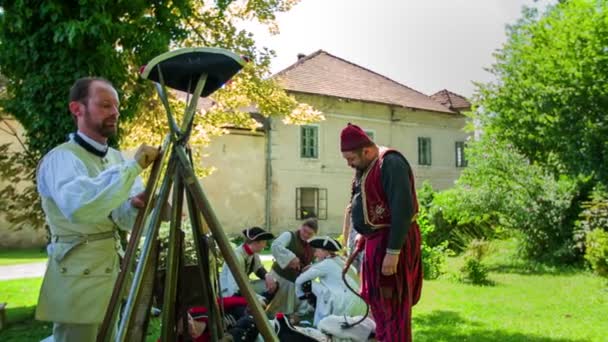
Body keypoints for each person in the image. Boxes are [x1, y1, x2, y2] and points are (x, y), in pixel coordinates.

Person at [35, 77, 160, 342]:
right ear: (77, 109)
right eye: (105, 105)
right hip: (76, 275)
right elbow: (81, 208)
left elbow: (123, 220)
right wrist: (133, 168)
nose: (115, 112)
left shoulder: (117, 159)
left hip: (110, 270)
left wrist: (137, 207)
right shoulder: (61, 158)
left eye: (116, 106)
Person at [339, 123, 423, 342]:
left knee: (392, 306)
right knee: (379, 307)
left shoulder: (390, 163)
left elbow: (402, 210)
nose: (349, 164)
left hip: (392, 243)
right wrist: (363, 233)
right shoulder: (365, 167)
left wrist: (393, 251)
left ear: (366, 151)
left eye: (351, 159)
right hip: (374, 242)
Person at [295, 236, 366, 327]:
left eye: (317, 250)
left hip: (344, 304)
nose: (315, 254)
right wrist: (313, 266)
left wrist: (301, 296)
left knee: (306, 284)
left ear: (325, 251)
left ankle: (321, 317)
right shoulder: (342, 260)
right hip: (361, 305)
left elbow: (299, 280)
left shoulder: (326, 264)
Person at [266, 219, 318, 316]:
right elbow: (276, 246)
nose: (306, 235)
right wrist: (291, 258)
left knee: (290, 308)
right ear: (300, 227)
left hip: (296, 280)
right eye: (304, 231)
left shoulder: (313, 245)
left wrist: (310, 267)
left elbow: (317, 261)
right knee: (273, 306)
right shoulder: (289, 235)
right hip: (280, 276)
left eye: (310, 234)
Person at [219, 226, 278, 305]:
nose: (265, 245)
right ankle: (258, 307)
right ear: (256, 242)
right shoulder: (237, 257)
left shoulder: (253, 254)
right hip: (229, 295)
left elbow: (258, 269)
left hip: (243, 288)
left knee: (274, 285)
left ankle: (262, 307)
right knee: (249, 312)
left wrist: (267, 276)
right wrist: (257, 298)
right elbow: (235, 289)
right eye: (264, 242)